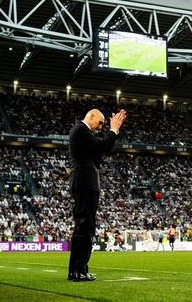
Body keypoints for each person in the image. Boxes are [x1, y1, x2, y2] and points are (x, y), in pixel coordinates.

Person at [67, 108, 127, 282]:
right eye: (100, 122)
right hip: (85, 183)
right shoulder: (81, 129)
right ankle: (80, 271)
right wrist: (113, 129)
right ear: (91, 116)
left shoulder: (81, 132)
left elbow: (99, 150)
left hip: (83, 182)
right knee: (86, 227)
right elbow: (103, 146)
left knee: (82, 227)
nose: (101, 127)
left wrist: (111, 134)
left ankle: (76, 270)